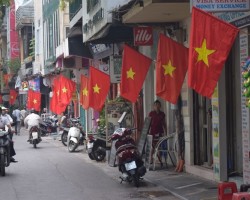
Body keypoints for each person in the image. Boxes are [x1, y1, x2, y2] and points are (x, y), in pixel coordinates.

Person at [148, 100, 167, 166]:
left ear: (160, 106)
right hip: (153, 131)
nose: (157, 106)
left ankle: (160, 159)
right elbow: (148, 123)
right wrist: (147, 132)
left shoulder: (162, 114)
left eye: (158, 105)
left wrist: (165, 132)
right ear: (154, 106)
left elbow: (164, 123)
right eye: (156, 105)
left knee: (160, 146)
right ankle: (151, 159)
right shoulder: (151, 113)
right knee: (152, 146)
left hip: (160, 131)